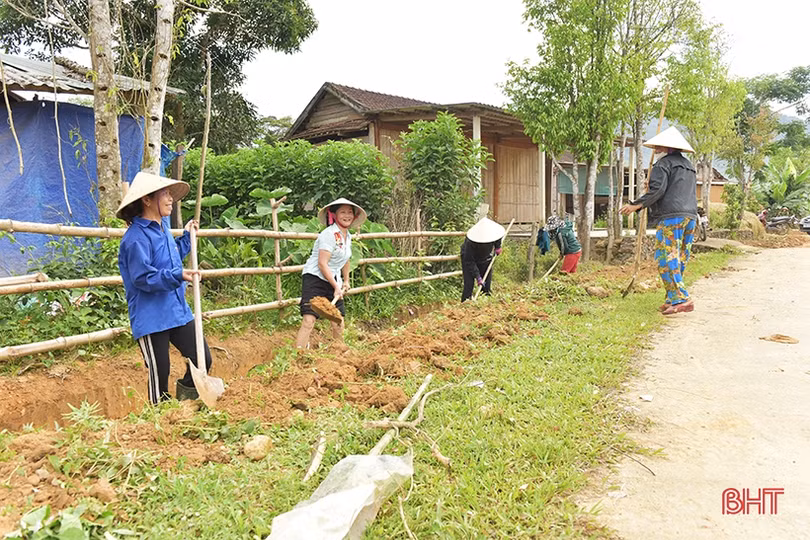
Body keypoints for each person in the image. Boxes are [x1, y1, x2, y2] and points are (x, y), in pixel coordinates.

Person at [117, 171, 212, 404]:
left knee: (203, 360)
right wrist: (177, 275)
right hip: (152, 317)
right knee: (159, 374)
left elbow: (172, 260)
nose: (171, 199)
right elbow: (143, 277)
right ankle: (158, 422)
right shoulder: (135, 238)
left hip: (176, 312)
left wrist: (187, 237)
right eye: (165, 194)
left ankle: (184, 403)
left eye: (171, 194)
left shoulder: (162, 230)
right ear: (147, 200)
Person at [620, 126, 698, 315]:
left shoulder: (662, 165)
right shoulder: (689, 166)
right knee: (679, 258)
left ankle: (682, 298)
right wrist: (652, 183)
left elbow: (658, 191)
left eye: (658, 146)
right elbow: (670, 188)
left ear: (665, 146)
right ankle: (672, 297)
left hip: (672, 217)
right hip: (690, 217)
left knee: (666, 257)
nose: (655, 149)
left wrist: (636, 205)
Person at [295, 198, 367, 349]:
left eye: (349, 212)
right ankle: (298, 355)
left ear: (354, 216)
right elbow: (322, 263)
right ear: (334, 215)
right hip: (315, 278)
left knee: (338, 320)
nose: (346, 215)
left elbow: (345, 259)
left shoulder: (347, 236)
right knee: (309, 320)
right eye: (342, 212)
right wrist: (336, 286)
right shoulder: (329, 234)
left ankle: (337, 352)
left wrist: (345, 280)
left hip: (333, 279)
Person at [460, 217, 505, 302]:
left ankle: (486, 302)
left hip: (485, 257)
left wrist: (498, 247)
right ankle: (465, 303)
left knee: (486, 284)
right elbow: (469, 261)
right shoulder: (470, 242)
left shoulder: (493, 233)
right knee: (469, 284)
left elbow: (498, 237)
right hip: (470, 259)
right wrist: (477, 276)